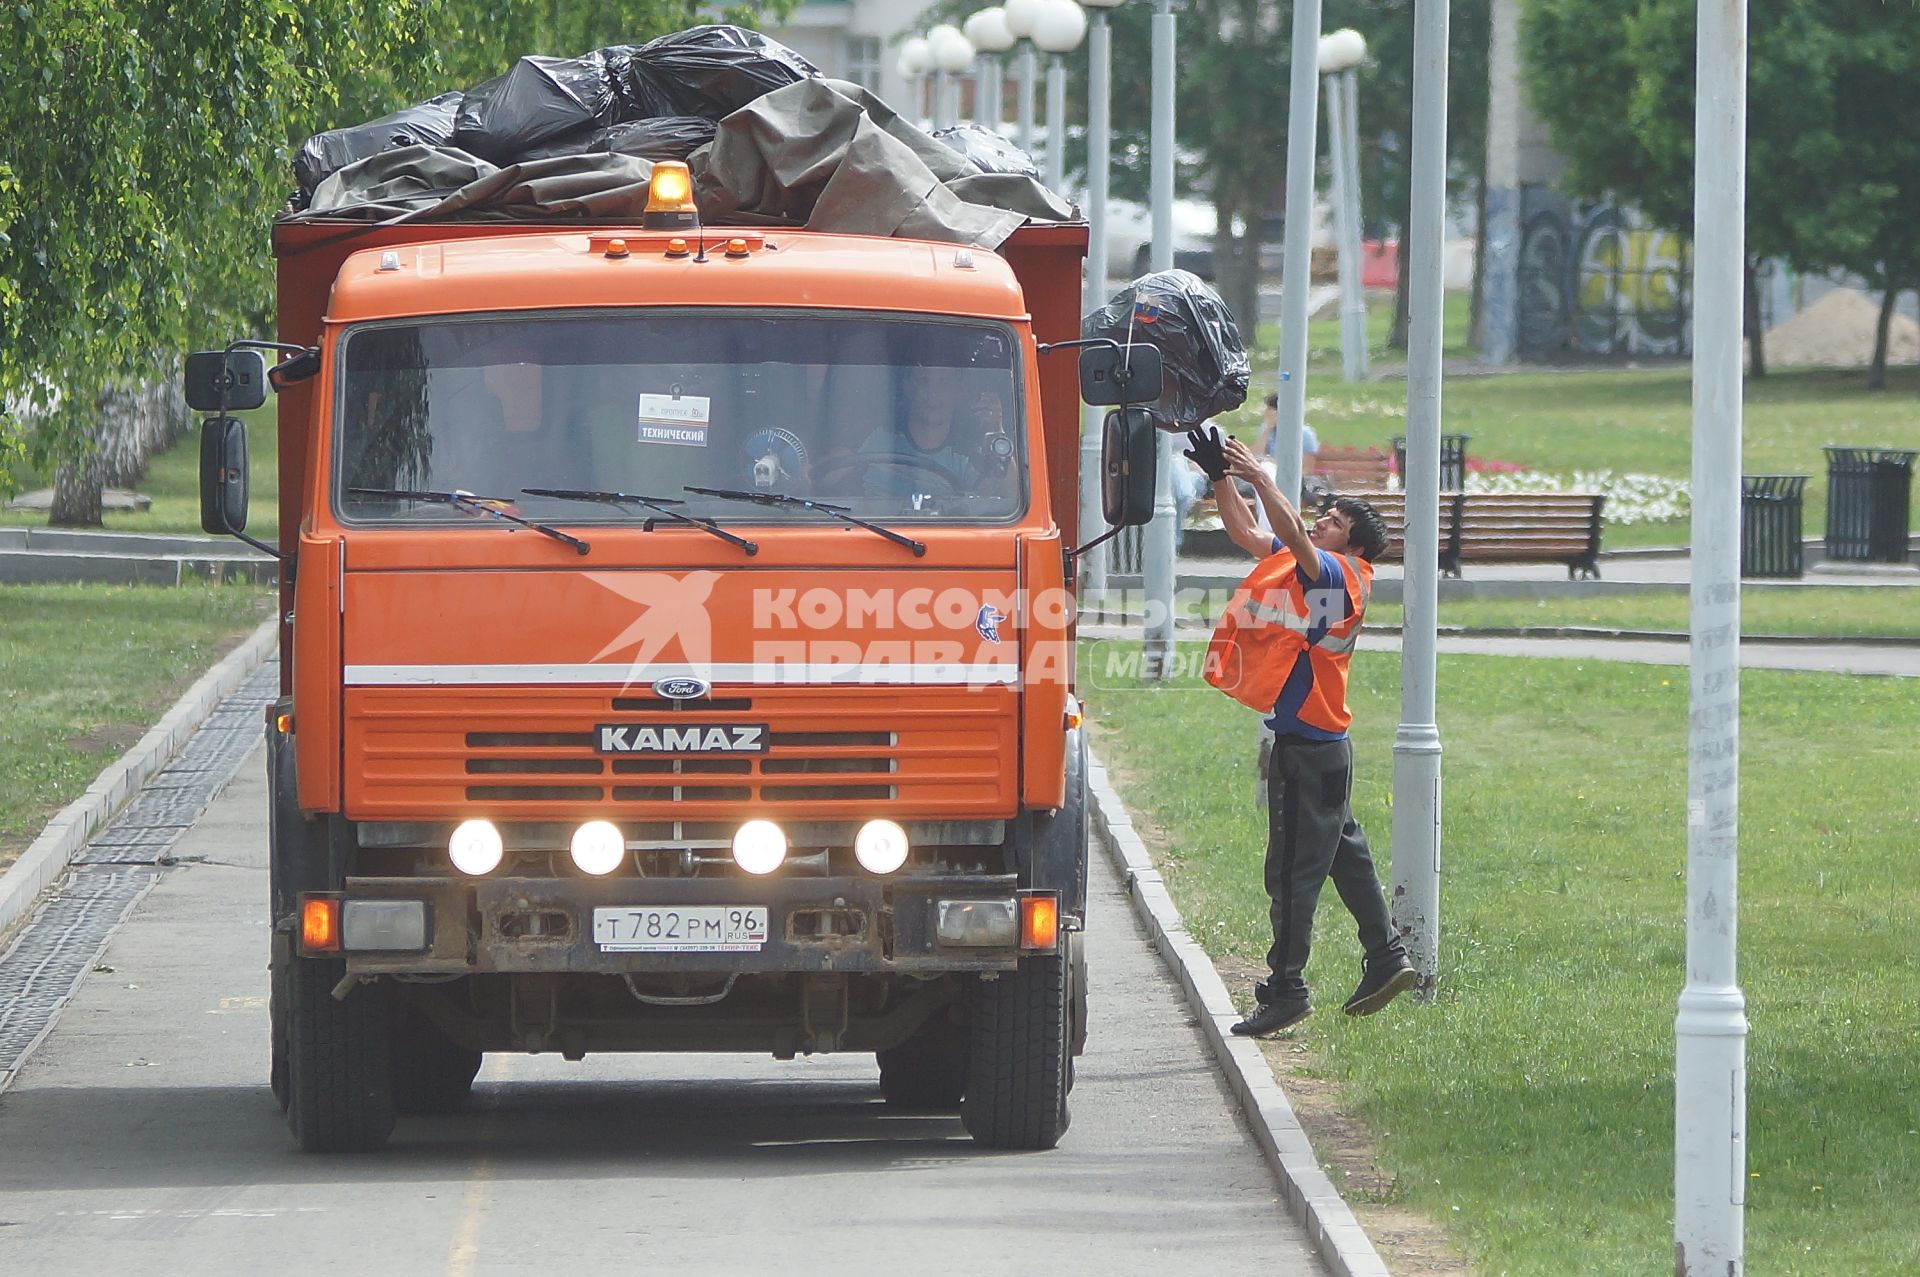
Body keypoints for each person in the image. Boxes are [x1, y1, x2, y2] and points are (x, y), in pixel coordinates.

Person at [1182, 425, 1415, 1036]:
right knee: (1346, 856)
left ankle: (1286, 990)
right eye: (1324, 515)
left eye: (1334, 520)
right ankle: (1387, 955)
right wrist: (1222, 480)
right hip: (1321, 746)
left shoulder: (1341, 576)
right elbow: (1251, 534)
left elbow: (1288, 535)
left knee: (1289, 873)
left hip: (1308, 750)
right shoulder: (1308, 564)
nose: (1321, 522)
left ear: (1354, 544)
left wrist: (1261, 476)